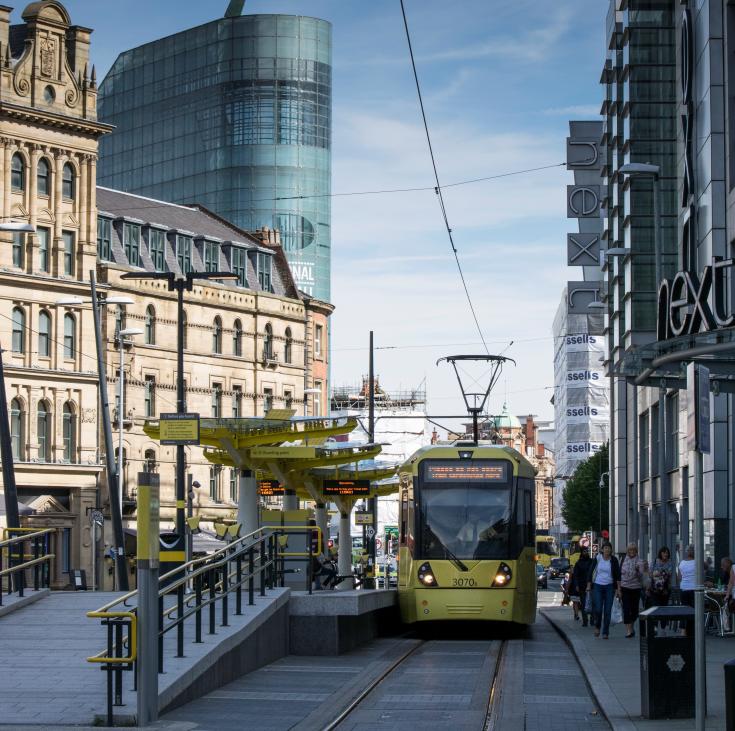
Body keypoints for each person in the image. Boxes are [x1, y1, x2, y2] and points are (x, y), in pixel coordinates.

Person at [586, 541, 621, 639]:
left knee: (607, 610)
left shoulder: (614, 560)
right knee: (598, 608)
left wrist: (618, 589)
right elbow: (591, 571)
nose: (607, 550)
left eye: (609, 548)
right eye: (605, 548)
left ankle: (605, 632)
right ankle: (597, 626)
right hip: (598, 585)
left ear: (611, 550)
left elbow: (618, 575)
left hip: (609, 586)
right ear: (602, 549)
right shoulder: (598, 558)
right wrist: (589, 585)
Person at [619, 542, 647, 638]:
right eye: (630, 550)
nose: (632, 552)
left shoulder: (640, 561)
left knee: (634, 610)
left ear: (636, 551)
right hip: (625, 587)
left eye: (634, 550)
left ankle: (631, 626)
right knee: (626, 609)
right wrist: (618, 589)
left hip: (636, 588)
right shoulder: (623, 560)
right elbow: (619, 575)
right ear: (627, 551)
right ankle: (629, 630)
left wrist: (638, 570)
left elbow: (641, 576)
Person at [647, 546, 673, 633]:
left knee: (664, 607)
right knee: (655, 607)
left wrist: (658, 573)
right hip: (655, 589)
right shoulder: (655, 561)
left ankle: (663, 627)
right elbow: (650, 574)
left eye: (667, 552)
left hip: (665, 589)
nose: (665, 554)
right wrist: (662, 573)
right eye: (663, 552)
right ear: (660, 553)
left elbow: (669, 573)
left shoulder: (670, 562)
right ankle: (655, 626)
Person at [677, 545, 697, 636]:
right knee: (694, 609)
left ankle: (683, 631)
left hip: (684, 588)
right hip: (694, 589)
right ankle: (694, 629)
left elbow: (679, 577)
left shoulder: (681, 563)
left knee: (684, 609)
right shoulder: (697, 562)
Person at [571, 546, 593, 626]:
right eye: (584, 551)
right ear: (582, 553)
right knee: (583, 603)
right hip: (582, 586)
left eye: (587, 551)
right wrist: (576, 585)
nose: (586, 553)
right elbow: (575, 575)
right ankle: (585, 621)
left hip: (591, 585)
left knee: (592, 602)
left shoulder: (592, 562)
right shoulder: (578, 563)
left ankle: (592, 619)